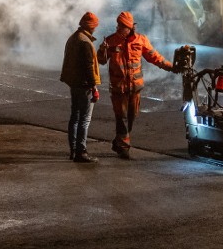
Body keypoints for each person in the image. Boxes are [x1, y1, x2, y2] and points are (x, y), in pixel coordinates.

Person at [97, 11, 176, 159]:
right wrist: (102, 50)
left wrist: (170, 67)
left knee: (132, 117)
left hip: (135, 88)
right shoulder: (111, 41)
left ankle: (119, 142)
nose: (118, 28)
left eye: (121, 26)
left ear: (129, 27)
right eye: (118, 25)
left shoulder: (141, 40)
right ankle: (124, 148)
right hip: (118, 89)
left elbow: (154, 57)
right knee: (122, 118)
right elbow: (100, 60)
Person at [60, 12, 102, 163]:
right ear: (90, 26)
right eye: (95, 26)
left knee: (74, 117)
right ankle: (81, 152)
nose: (96, 29)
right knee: (84, 119)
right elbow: (89, 68)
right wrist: (94, 88)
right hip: (84, 86)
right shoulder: (85, 42)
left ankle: (73, 150)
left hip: (74, 84)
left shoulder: (73, 38)